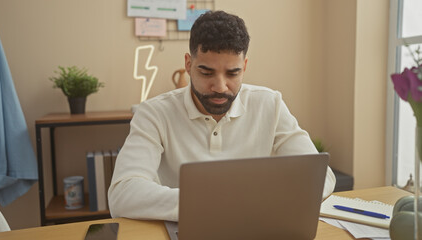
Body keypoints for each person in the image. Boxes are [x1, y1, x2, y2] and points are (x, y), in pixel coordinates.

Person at [108, 10, 336, 221]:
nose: (220, 86)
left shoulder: (270, 103)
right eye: (206, 72)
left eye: (232, 73)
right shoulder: (153, 113)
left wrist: (265, 202)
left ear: (244, 67)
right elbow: (122, 194)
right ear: (188, 64)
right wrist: (221, 204)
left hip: (255, 225)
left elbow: (321, 176)